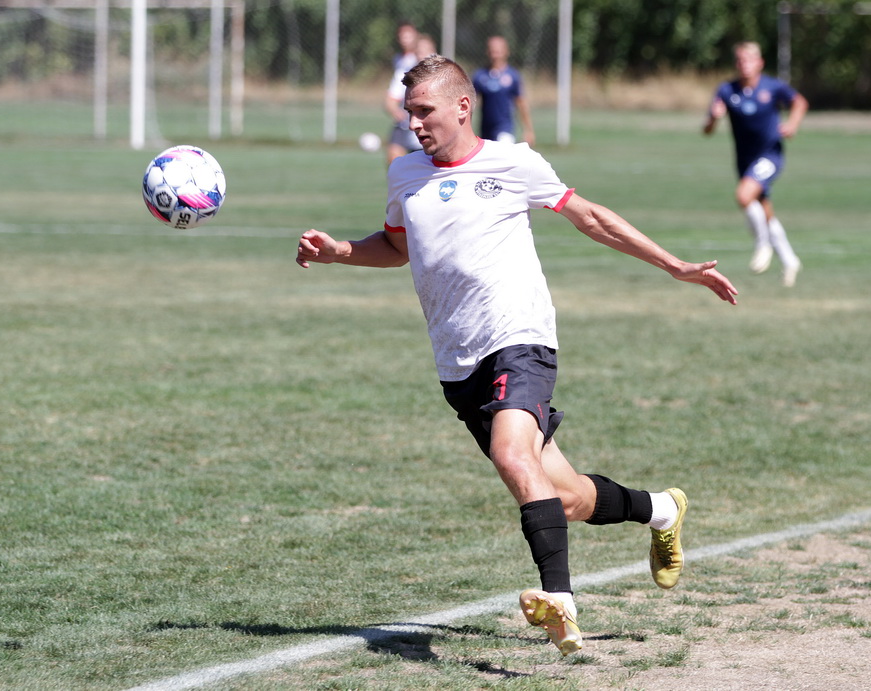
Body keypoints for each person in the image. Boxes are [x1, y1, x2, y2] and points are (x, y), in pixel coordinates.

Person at [298, 55, 738, 656]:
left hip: (519, 338)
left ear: (463, 106)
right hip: (458, 363)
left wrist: (674, 265)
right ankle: (662, 509)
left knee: (512, 454)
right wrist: (339, 252)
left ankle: (561, 600)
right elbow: (399, 246)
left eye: (424, 111)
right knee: (566, 498)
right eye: (408, 112)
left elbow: (591, 218)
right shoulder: (404, 174)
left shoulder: (514, 163)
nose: (414, 123)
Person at [703, 41, 809, 287]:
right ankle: (790, 260)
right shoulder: (727, 90)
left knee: (743, 196)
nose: (744, 64)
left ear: (760, 63)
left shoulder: (772, 87)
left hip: (770, 156)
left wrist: (792, 124)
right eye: (740, 60)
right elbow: (707, 130)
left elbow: (800, 102)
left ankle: (763, 245)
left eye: (749, 59)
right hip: (744, 161)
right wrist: (714, 118)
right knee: (763, 210)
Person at [471, 35, 535, 146]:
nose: (495, 55)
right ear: (487, 52)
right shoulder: (480, 76)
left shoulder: (513, 76)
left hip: (505, 128)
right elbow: (471, 103)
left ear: (506, 52)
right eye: (492, 51)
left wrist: (528, 130)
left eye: (498, 51)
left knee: (504, 153)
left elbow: (521, 103)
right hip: (485, 130)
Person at [384, 22, 423, 166]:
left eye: (408, 35)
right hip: (405, 120)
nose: (405, 39)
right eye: (402, 36)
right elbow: (393, 96)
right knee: (394, 159)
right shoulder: (401, 63)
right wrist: (393, 109)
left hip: (423, 120)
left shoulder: (434, 65)